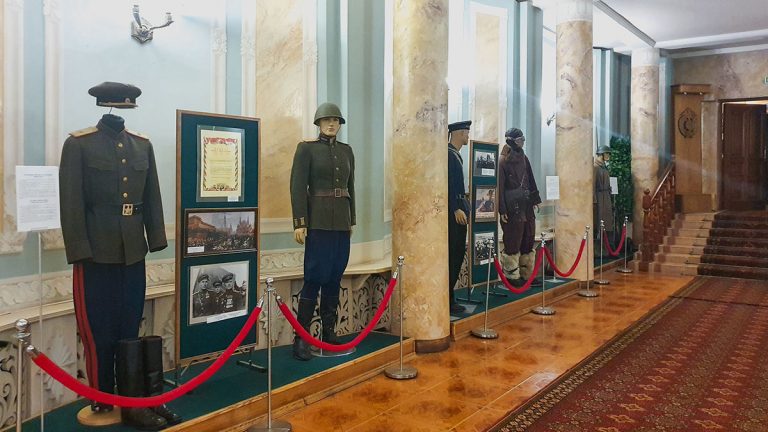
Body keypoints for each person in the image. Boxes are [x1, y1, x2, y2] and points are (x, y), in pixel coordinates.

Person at [59, 82, 179, 430]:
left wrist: (155, 237)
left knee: (129, 325)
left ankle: (134, 400)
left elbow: (152, 194)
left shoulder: (142, 144)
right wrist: (80, 250)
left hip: (132, 251)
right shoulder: (78, 144)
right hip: (96, 252)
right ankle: (103, 397)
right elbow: (71, 203)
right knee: (100, 329)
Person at [290, 102, 356, 361]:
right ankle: (302, 339)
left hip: (341, 223)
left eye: (336, 120)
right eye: (327, 120)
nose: (331, 124)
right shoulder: (306, 149)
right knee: (314, 278)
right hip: (317, 222)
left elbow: (351, 186)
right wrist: (300, 222)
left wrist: (351, 220)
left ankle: (329, 333)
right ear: (318, 123)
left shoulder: (347, 151)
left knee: (334, 277)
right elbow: (297, 187)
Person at [498, 128, 542, 287]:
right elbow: (500, 187)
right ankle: (511, 275)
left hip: (527, 206)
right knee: (513, 240)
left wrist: (535, 199)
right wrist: (502, 210)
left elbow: (530, 179)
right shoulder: (502, 161)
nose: (523, 142)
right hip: (512, 208)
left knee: (528, 237)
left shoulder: (524, 158)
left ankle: (526, 274)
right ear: (512, 140)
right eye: (520, 140)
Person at [448, 120, 472, 314]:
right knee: (453, 256)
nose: (467, 136)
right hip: (454, 214)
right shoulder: (449, 156)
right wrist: (456, 208)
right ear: (459, 133)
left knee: (456, 256)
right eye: (466, 132)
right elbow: (448, 186)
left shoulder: (455, 155)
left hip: (460, 210)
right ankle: (447, 298)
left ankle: (450, 296)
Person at [594, 145, 615, 251]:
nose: (608, 156)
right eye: (607, 153)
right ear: (601, 154)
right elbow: (593, 185)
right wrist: (594, 200)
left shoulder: (604, 167)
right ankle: (600, 247)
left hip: (606, 196)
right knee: (600, 221)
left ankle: (607, 246)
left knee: (607, 221)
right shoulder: (595, 167)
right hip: (599, 197)